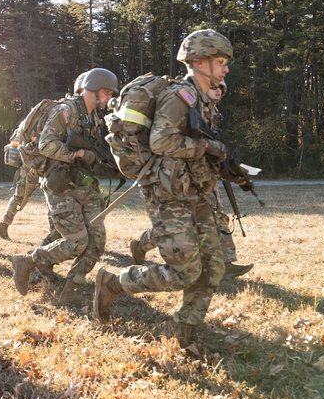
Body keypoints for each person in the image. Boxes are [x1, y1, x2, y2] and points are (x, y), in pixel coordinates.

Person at [93, 29, 232, 350]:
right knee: (184, 272)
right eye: (220, 62)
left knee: (213, 267)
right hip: (168, 194)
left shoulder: (203, 98)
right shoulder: (179, 96)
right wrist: (207, 147)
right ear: (199, 62)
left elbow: (195, 146)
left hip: (196, 191)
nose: (225, 69)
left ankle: (184, 330)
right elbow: (161, 141)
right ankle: (113, 283)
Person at [11, 68, 118, 305]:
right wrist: (77, 154)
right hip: (60, 184)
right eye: (107, 92)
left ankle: (73, 288)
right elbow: (45, 145)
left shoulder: (95, 117)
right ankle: (28, 261)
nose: (109, 97)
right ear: (94, 89)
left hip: (83, 183)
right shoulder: (66, 111)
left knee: (97, 241)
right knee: (76, 242)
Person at [129, 81, 253, 280]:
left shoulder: (211, 112)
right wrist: (207, 147)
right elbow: (167, 143)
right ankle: (142, 244)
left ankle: (225, 263)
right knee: (176, 226)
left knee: (218, 216)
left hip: (204, 176)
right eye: (214, 87)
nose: (218, 91)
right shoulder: (186, 105)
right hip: (182, 177)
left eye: (222, 88)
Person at [0, 72, 86, 241]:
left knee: (52, 198)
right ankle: (4, 223)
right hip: (33, 162)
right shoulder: (60, 112)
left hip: (46, 163)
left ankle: (55, 235)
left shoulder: (70, 113)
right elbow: (41, 140)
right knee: (21, 196)